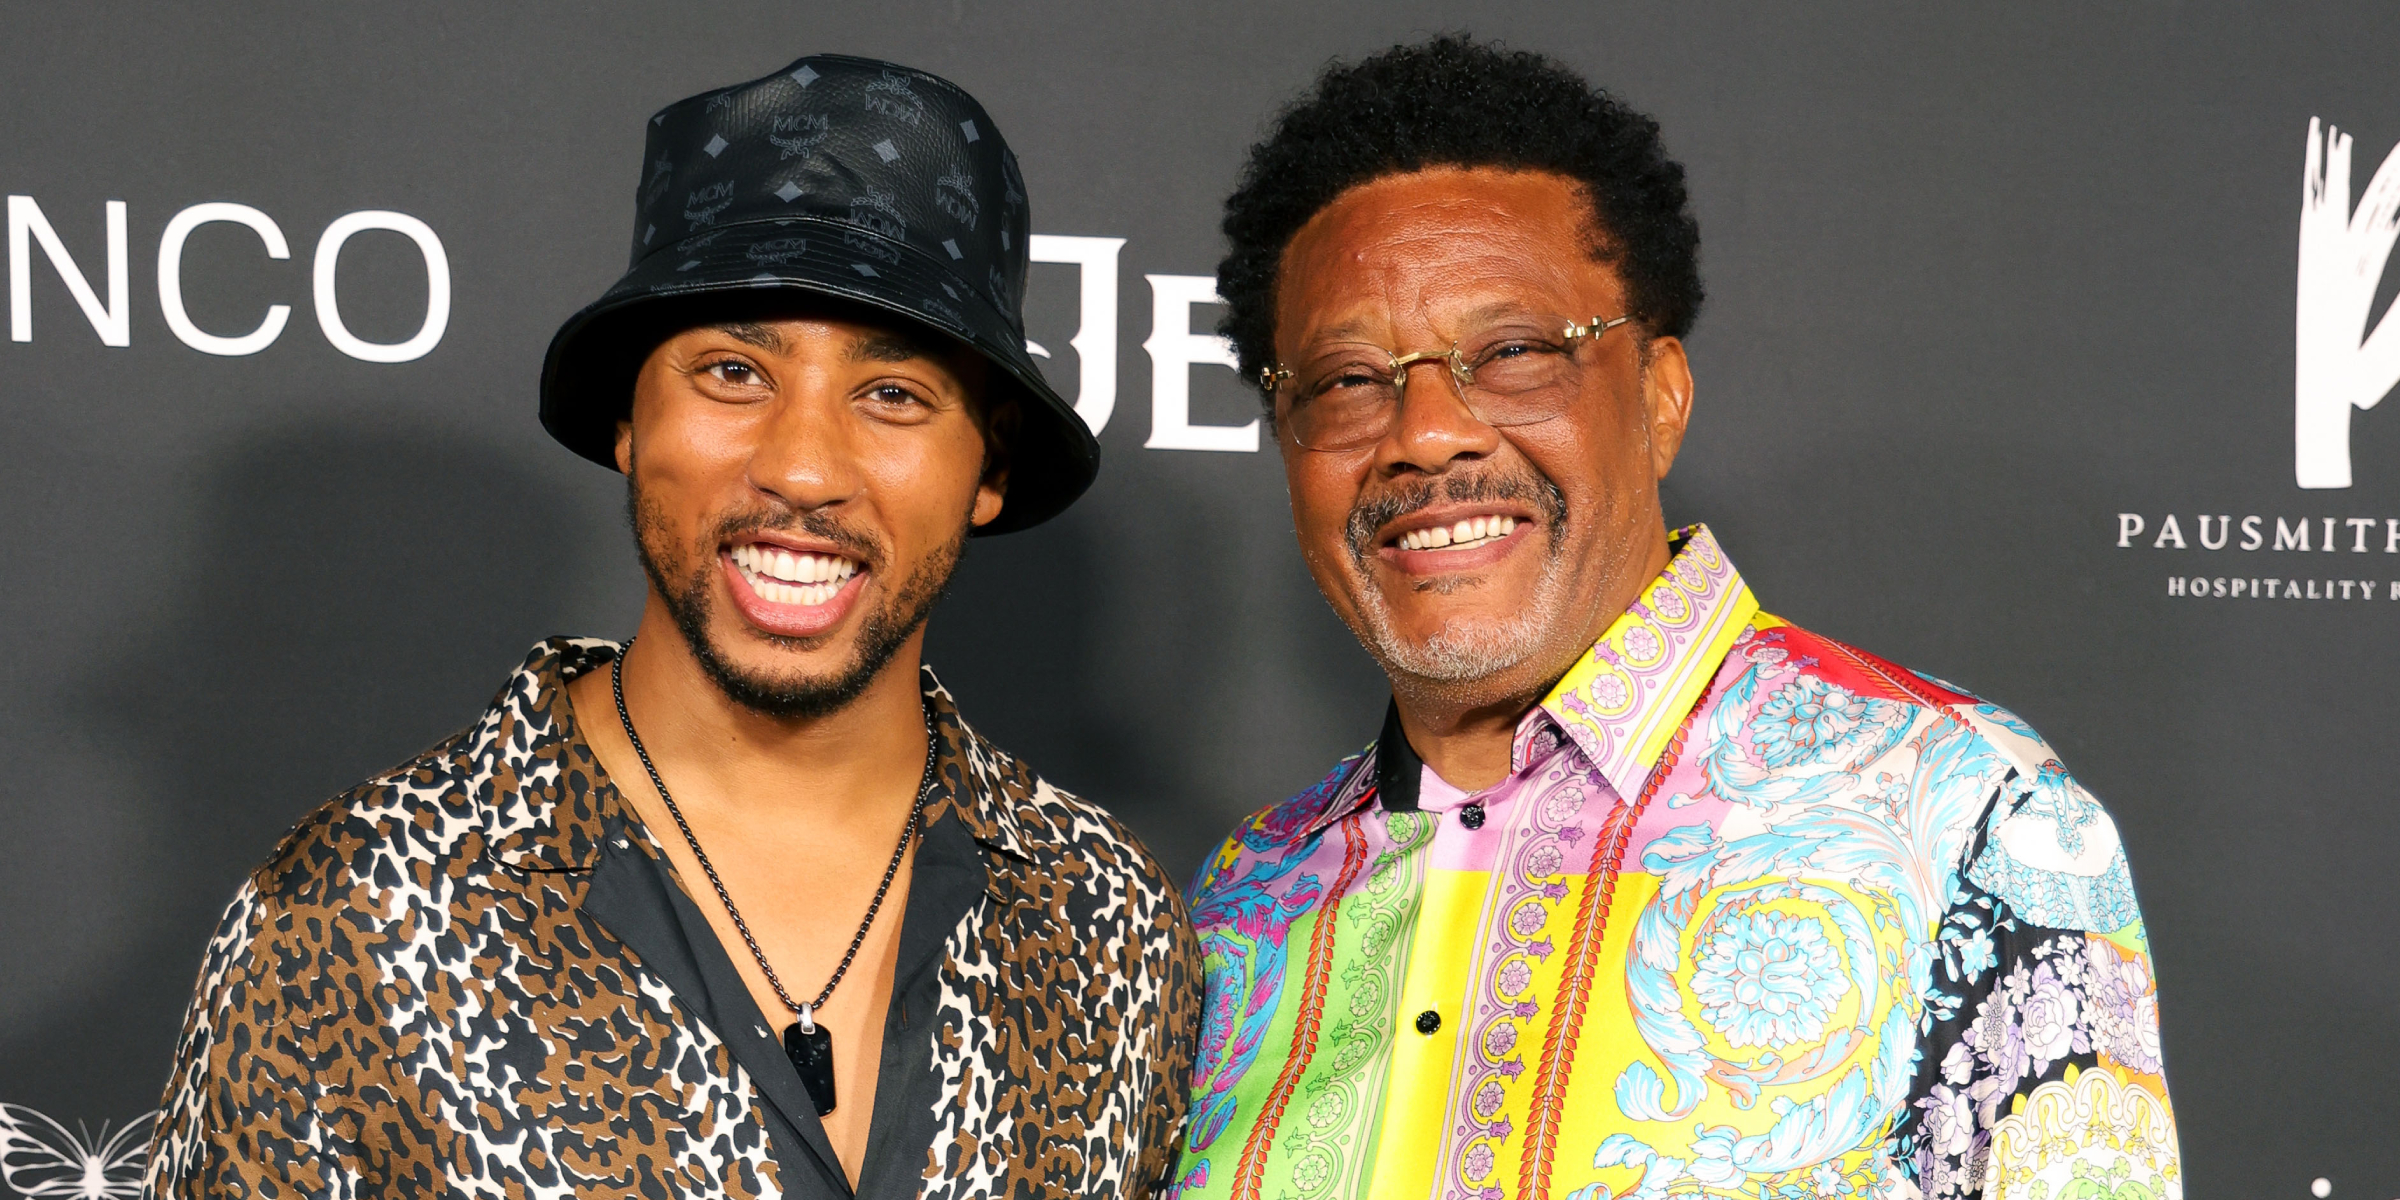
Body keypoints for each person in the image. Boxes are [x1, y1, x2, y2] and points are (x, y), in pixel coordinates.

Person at [147, 54, 1197, 1200]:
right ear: (627, 425)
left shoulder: (1107, 919)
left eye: (892, 394)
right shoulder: (353, 915)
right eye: (734, 372)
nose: (803, 466)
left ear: (987, 470)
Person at [1176, 36, 2179, 1200]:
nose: (1425, 431)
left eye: (1510, 354)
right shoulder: (1246, 899)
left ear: (1658, 399)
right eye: (1349, 380)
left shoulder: (1957, 811)